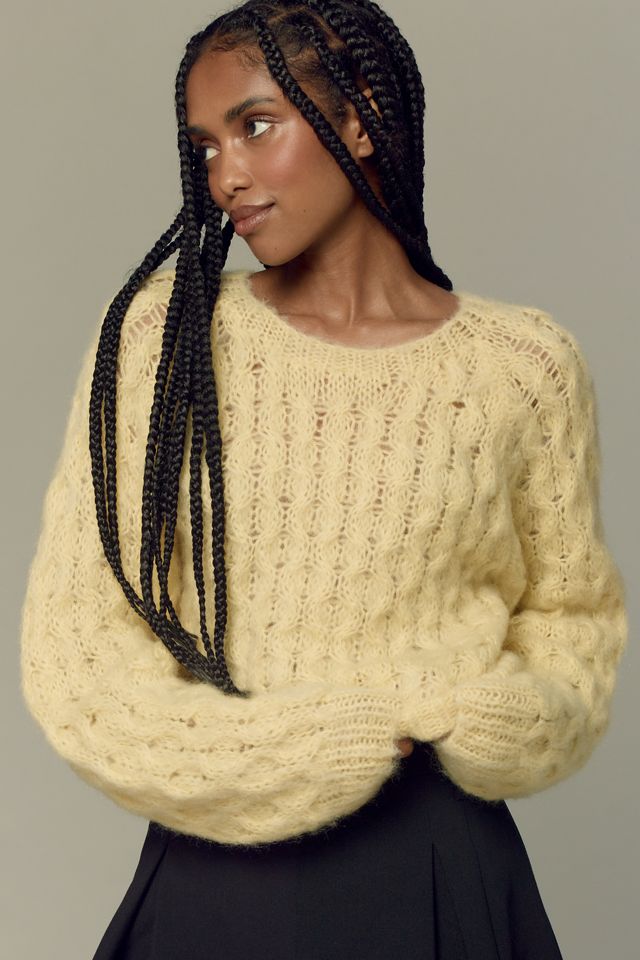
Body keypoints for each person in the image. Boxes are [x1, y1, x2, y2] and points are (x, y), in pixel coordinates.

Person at [19, 1, 628, 958]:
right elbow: (78, 657)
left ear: (359, 117)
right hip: (222, 884)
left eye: (256, 126)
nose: (225, 173)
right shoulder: (164, 340)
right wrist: (299, 750)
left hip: (446, 868)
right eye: (205, 145)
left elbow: (572, 621)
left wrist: (491, 718)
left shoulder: (524, 369)